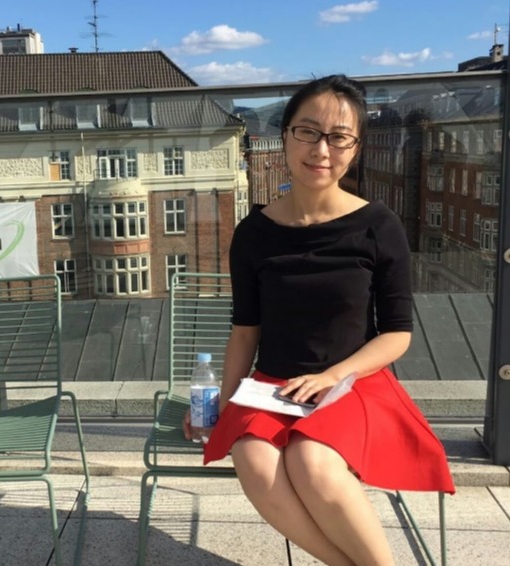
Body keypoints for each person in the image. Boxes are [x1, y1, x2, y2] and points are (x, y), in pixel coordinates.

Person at [184, 74, 455, 566]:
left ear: (356, 148)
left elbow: (396, 334)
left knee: (313, 462)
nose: (321, 149)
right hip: (273, 385)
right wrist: (222, 403)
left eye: (339, 137)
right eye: (308, 131)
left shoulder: (379, 226)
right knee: (253, 458)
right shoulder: (254, 232)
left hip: (353, 383)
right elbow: (245, 331)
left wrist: (332, 376)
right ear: (285, 135)